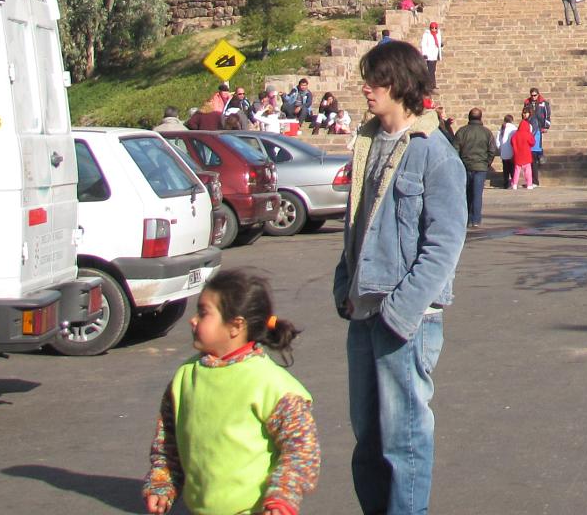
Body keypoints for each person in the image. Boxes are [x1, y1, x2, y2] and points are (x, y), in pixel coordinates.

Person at [333, 38, 466, 515]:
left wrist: (400, 311)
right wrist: (343, 286)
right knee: (367, 441)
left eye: (375, 79)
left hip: (404, 321)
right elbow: (358, 225)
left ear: (400, 84)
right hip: (363, 311)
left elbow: (444, 246)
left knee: (404, 441)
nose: (365, 88)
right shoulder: (367, 144)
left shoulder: (435, 154)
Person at [142, 268, 319, 515]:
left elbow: (300, 450)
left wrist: (282, 498)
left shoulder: (272, 385)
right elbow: (167, 443)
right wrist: (162, 484)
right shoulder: (185, 376)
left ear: (236, 326)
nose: (193, 320)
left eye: (203, 313)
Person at [453, 109, 497, 227]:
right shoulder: (487, 132)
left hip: (465, 166)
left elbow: (455, 149)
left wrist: (459, 163)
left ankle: (466, 218)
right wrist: (486, 163)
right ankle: (476, 220)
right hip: (480, 167)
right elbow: (492, 150)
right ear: (481, 117)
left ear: (469, 117)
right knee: (477, 194)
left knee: (466, 194)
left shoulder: (462, 132)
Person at [523, 89, 551, 185]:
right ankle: (532, 179)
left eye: (535, 95)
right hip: (530, 127)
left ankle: (540, 156)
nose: (533, 97)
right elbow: (525, 114)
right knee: (532, 153)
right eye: (532, 95)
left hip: (539, 127)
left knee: (536, 149)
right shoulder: (527, 103)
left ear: (538, 95)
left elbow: (547, 115)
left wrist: (546, 126)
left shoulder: (543, 103)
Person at [510, 116, 537, 189]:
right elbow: (533, 142)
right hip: (526, 155)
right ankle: (529, 184)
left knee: (516, 170)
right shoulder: (528, 134)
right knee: (528, 170)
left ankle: (514, 184)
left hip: (517, 155)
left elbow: (511, 142)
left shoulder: (515, 135)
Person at [496, 113, 517, 190]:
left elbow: (497, 140)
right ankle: (513, 183)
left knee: (505, 169)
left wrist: (500, 147)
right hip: (511, 151)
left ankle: (505, 183)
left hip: (504, 151)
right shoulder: (514, 128)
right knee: (512, 168)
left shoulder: (501, 128)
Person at [420, 22, 442, 89]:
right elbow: (423, 44)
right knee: (431, 70)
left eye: (435, 28)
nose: (434, 29)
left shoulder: (438, 34)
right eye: (432, 28)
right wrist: (424, 53)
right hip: (429, 54)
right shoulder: (426, 35)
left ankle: (432, 84)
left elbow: (438, 43)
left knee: (433, 70)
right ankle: (431, 84)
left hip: (435, 54)